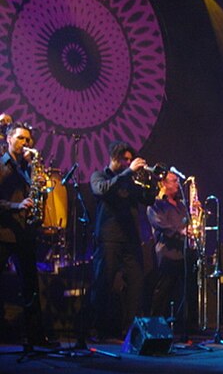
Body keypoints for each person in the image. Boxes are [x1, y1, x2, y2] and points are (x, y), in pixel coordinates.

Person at [89, 141, 157, 340]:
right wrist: (129, 172)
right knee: (104, 283)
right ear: (114, 158)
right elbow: (102, 190)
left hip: (131, 239)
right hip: (109, 238)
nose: (128, 162)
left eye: (130, 159)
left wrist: (152, 181)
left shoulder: (130, 181)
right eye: (124, 159)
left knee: (136, 284)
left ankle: (130, 331)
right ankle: (99, 330)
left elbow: (148, 199)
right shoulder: (99, 176)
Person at [0, 122, 53, 347]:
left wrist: (40, 189)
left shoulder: (28, 166)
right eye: (20, 138)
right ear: (8, 139)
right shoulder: (1, 165)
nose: (25, 143)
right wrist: (17, 206)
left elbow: (36, 197)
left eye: (28, 139)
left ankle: (36, 336)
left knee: (31, 286)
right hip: (4, 232)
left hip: (25, 233)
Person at [146, 171, 195, 320]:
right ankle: (155, 321)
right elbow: (159, 224)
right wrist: (180, 231)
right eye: (174, 181)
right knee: (164, 289)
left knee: (186, 290)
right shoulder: (156, 204)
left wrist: (196, 212)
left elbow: (188, 223)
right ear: (164, 183)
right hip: (167, 253)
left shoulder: (180, 205)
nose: (178, 184)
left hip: (183, 252)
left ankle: (185, 323)